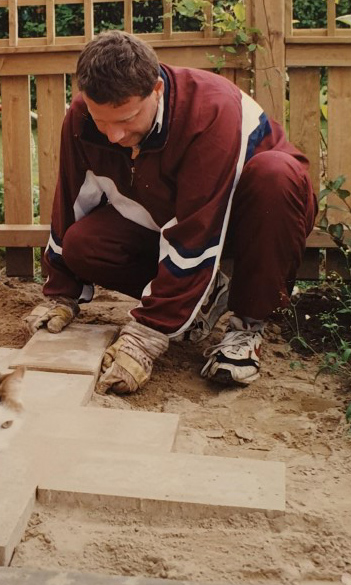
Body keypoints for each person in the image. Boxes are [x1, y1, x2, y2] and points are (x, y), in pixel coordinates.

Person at [24, 30, 317, 394]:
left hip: (256, 218)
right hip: (171, 217)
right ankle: (205, 297)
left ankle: (246, 326)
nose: (113, 136)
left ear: (157, 90)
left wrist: (146, 335)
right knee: (83, 244)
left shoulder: (211, 111)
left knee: (275, 174)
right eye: (103, 122)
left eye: (127, 119)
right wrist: (62, 292)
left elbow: (198, 232)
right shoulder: (82, 116)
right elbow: (70, 203)